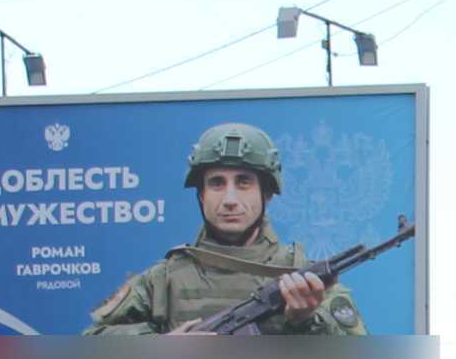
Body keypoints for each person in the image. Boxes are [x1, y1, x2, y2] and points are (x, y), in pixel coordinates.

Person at [87, 124, 367, 336]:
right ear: (201, 195)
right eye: (217, 183)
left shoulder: (304, 277)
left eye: (243, 183)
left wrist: (305, 320)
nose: (230, 199)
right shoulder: (162, 280)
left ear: (266, 194)